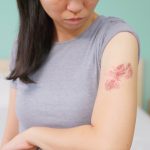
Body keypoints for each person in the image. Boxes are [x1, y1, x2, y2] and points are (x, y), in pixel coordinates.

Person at [0, 0, 140, 149]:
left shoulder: (117, 40)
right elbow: (11, 139)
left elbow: (111, 146)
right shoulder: (24, 44)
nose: (75, 7)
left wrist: (32, 135)